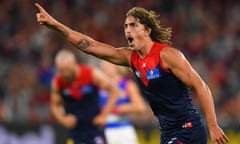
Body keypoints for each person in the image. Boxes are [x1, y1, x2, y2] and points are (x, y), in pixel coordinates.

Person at [35, 3, 229, 144]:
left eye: (133, 25)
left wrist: (213, 125)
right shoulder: (130, 58)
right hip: (167, 132)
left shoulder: (167, 55)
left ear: (147, 30)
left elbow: (201, 86)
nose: (127, 30)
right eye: (126, 26)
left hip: (188, 129)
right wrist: (57, 26)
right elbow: (91, 46)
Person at [51, 49, 119, 144]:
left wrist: (104, 116)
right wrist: (63, 120)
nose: (64, 74)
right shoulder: (58, 82)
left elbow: (114, 91)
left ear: (74, 64)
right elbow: (55, 105)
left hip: (94, 128)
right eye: (61, 70)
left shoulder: (91, 74)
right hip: (74, 131)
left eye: (67, 69)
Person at [99, 61, 146, 144]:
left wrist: (125, 108)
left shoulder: (127, 84)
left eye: (108, 66)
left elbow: (141, 107)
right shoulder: (99, 85)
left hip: (123, 129)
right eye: (103, 67)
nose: (105, 69)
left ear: (117, 67)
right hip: (103, 129)